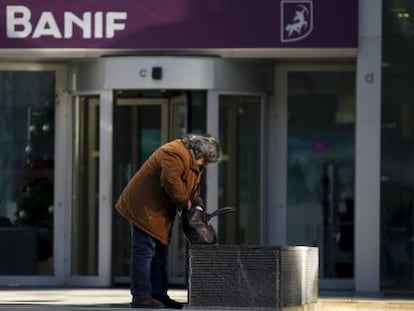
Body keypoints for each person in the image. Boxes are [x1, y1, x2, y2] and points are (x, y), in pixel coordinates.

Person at [115, 134, 222, 309]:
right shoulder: (174, 153)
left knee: (159, 254)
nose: (205, 165)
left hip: (157, 210)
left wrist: (198, 206)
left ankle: (158, 295)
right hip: (144, 208)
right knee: (144, 252)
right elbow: (170, 182)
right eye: (206, 160)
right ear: (200, 152)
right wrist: (184, 202)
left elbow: (191, 188)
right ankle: (141, 296)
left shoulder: (192, 162)